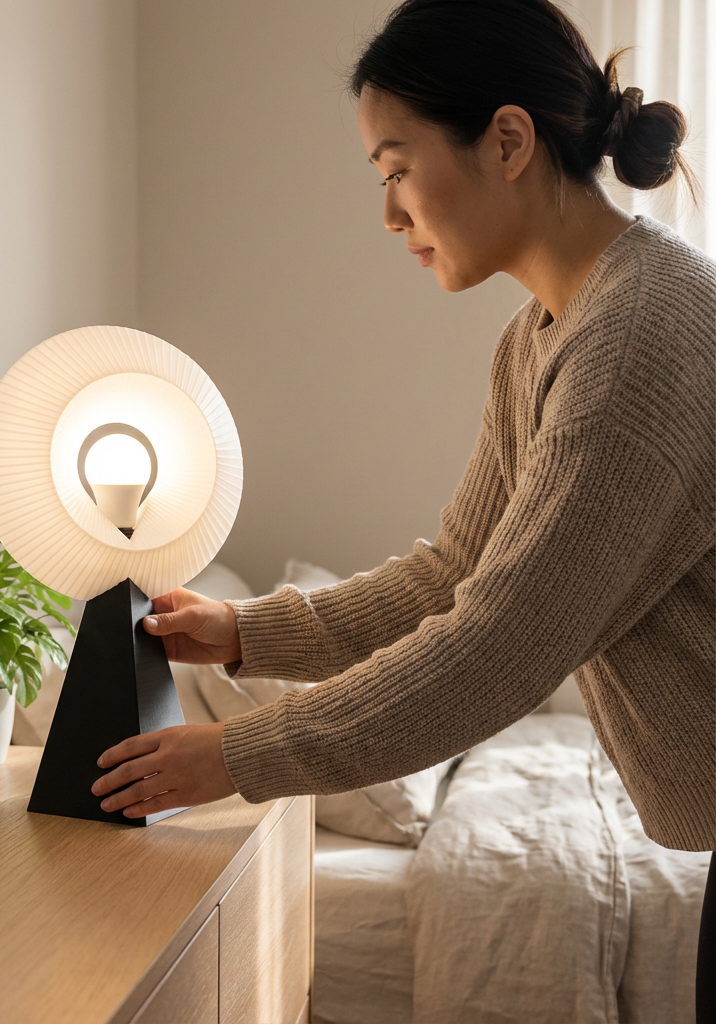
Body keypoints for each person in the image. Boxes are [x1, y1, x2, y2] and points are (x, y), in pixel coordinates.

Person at [91, 0, 714, 1017]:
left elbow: (499, 645)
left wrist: (238, 756)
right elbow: (453, 576)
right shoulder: (544, 336)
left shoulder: (641, 334)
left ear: (506, 140)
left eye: (394, 168)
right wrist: (247, 632)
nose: (387, 214)